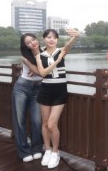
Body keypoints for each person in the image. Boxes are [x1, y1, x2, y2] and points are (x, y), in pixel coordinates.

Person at [33, 28, 80, 169]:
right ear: (44, 39)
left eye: (54, 37)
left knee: (52, 124)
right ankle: (47, 149)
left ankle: (55, 152)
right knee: (45, 123)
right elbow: (42, 73)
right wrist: (57, 61)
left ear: (57, 39)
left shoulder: (61, 51)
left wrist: (76, 36)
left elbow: (69, 45)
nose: (51, 39)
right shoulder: (39, 55)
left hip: (59, 91)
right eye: (48, 37)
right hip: (45, 91)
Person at [12, 33, 44, 162]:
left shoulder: (46, 52)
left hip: (38, 89)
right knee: (20, 121)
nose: (33, 43)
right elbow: (39, 72)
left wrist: (39, 66)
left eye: (34, 39)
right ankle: (23, 151)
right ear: (25, 46)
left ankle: (37, 148)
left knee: (37, 121)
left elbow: (49, 68)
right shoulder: (25, 57)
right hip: (22, 88)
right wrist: (37, 67)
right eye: (29, 42)